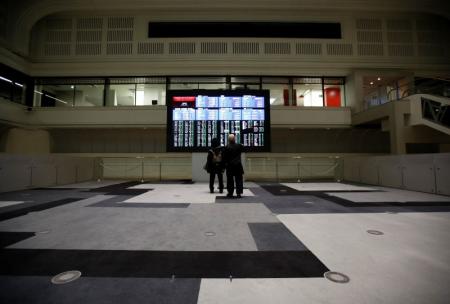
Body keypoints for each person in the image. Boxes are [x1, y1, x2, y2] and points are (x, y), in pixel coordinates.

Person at [223, 134, 244, 198]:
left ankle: (230, 193)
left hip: (230, 166)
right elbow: (243, 149)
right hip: (238, 165)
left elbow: (224, 157)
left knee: (230, 180)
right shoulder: (239, 146)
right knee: (239, 179)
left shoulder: (226, 147)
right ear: (234, 139)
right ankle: (238, 193)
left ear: (228, 140)